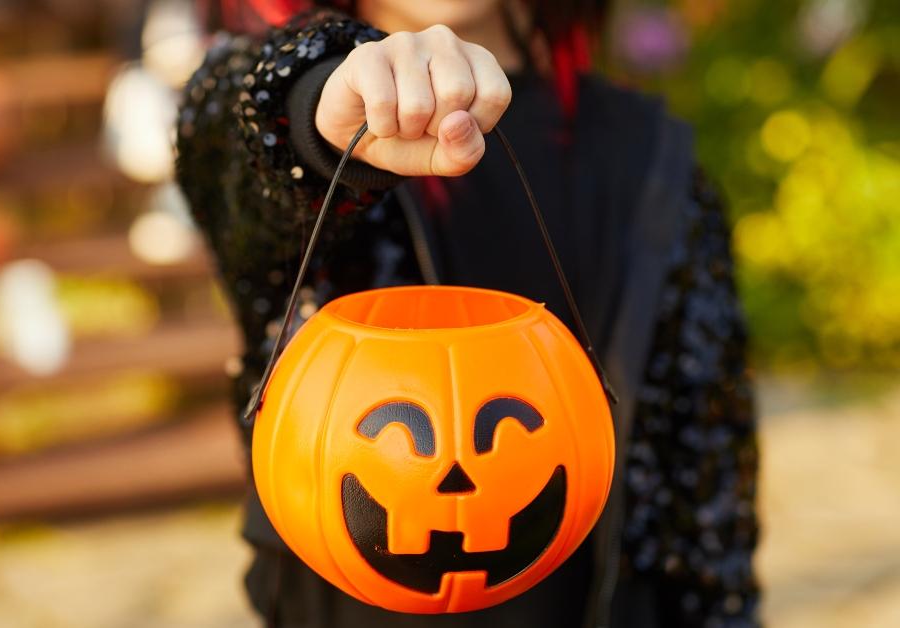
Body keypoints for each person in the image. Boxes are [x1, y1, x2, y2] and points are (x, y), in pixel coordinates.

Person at [175, 1, 760, 626]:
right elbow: (247, 132)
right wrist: (323, 105)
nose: (456, 481)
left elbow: (705, 496)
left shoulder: (655, 164)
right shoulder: (261, 95)